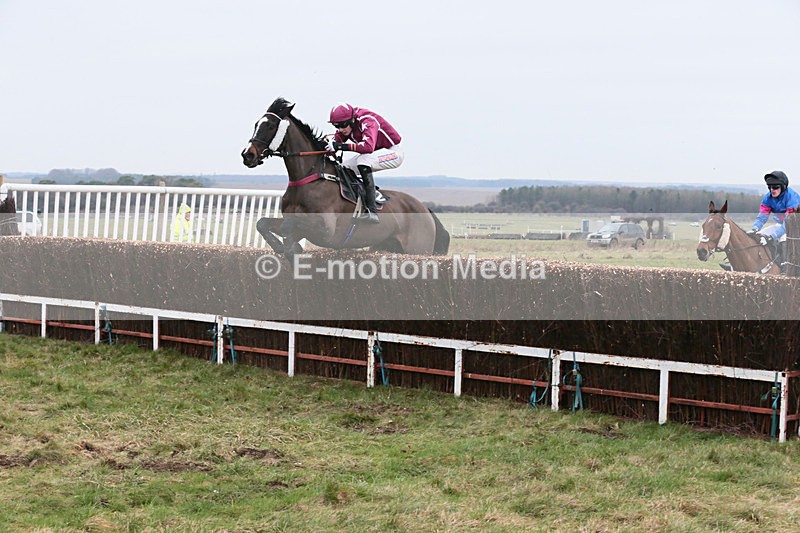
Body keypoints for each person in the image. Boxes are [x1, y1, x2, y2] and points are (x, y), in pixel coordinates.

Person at [325, 103, 404, 223]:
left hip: (393, 152)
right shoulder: (347, 125)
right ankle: (359, 197)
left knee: (364, 160)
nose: (340, 129)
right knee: (342, 167)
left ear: (352, 120)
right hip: (374, 153)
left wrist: (340, 146)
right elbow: (336, 142)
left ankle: (372, 210)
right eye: (337, 126)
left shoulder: (367, 121)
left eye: (342, 125)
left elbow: (367, 147)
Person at [748, 170, 800, 270]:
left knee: (784, 238)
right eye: (770, 187)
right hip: (781, 224)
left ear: (783, 187)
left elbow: (788, 224)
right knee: (759, 236)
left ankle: (787, 268)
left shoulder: (792, 198)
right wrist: (755, 228)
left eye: (775, 187)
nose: (772, 190)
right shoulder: (768, 198)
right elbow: (762, 217)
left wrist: (772, 236)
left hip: (795, 226)